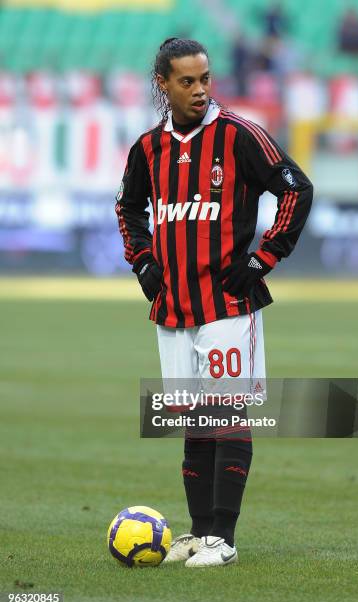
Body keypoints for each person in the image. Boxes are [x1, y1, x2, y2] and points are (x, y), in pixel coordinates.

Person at [115, 37, 313, 567]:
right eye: (187, 81)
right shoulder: (148, 149)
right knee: (194, 420)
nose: (200, 90)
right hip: (173, 308)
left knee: (227, 414)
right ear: (164, 85)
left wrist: (261, 260)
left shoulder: (240, 135)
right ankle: (199, 534)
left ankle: (223, 539)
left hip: (226, 302)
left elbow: (296, 189)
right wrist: (142, 263)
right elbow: (128, 207)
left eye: (205, 79)